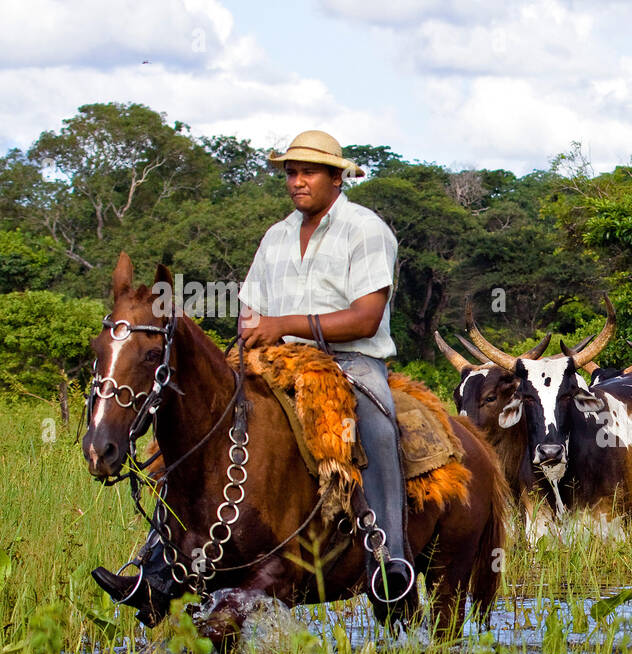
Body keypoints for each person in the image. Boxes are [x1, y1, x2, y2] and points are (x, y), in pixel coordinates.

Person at [93, 129, 414, 621]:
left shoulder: (365, 230)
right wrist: (253, 333)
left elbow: (367, 317)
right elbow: (251, 311)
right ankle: (155, 567)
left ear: (337, 177)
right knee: (190, 433)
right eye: (291, 172)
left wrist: (284, 324)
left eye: (308, 172)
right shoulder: (277, 236)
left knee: (378, 421)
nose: (297, 181)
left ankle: (388, 560)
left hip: (349, 362)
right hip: (272, 359)